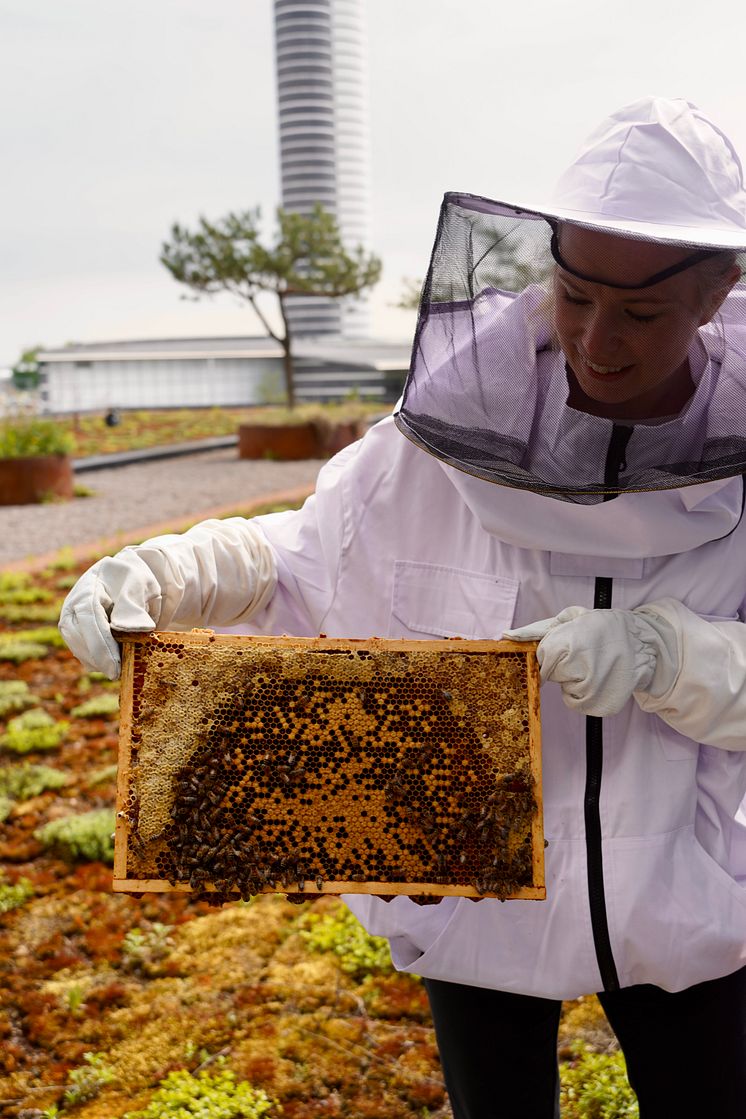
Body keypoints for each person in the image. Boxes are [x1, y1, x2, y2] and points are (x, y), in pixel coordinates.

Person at [60, 97, 746, 1117]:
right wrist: (172, 570)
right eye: (571, 294)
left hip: (695, 909)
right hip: (467, 893)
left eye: (640, 313)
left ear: (713, 291)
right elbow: (306, 558)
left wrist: (664, 656)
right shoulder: (441, 429)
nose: (596, 339)